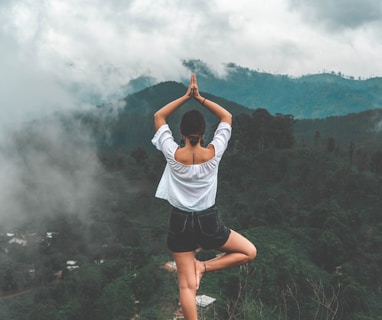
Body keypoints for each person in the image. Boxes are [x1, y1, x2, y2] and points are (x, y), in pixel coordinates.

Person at [152, 73, 257, 320]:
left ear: (181, 131)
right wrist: (199, 98)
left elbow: (158, 116)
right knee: (249, 252)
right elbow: (227, 117)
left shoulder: (172, 153)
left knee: (186, 287)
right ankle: (205, 267)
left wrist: (184, 96)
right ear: (203, 131)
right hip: (208, 222)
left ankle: (199, 269)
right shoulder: (214, 152)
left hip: (179, 223)